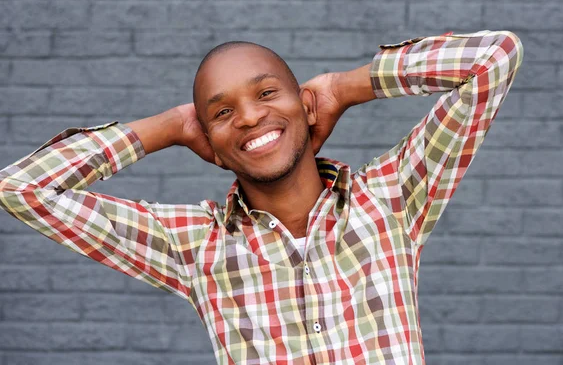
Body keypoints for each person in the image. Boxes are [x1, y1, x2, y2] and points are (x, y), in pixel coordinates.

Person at [0, 30, 523, 364]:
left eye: (267, 92)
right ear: (209, 141)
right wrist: (170, 125)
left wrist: (345, 87)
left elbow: (493, 58)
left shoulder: (393, 198)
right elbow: (23, 189)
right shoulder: (192, 245)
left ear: (303, 102)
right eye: (221, 112)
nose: (249, 116)